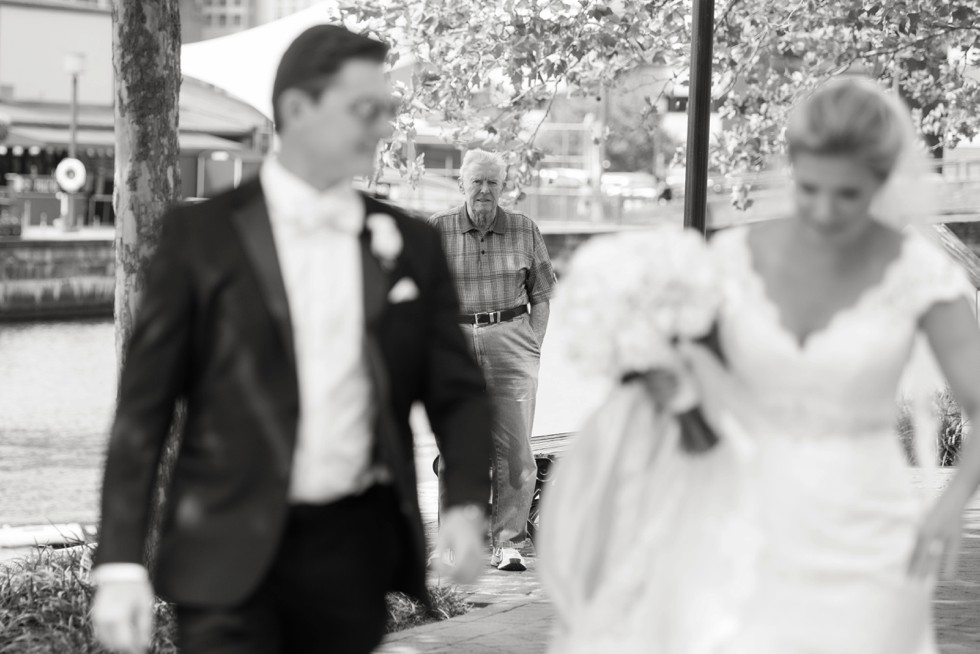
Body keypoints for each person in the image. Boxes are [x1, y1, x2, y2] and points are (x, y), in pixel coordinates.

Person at [541, 77, 980, 653]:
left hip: (870, 527)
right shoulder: (732, 261)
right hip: (740, 517)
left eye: (848, 195)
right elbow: (698, 378)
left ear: (883, 180)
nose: (825, 211)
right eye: (810, 188)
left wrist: (951, 504)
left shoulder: (920, 274)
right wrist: (660, 372)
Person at [90, 25, 491, 654]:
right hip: (225, 558)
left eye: (387, 109)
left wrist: (466, 503)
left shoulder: (411, 244)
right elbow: (144, 411)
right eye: (367, 108)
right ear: (299, 109)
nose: (384, 126)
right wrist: (119, 564)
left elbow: (458, 391)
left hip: (352, 559)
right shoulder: (200, 238)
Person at [429, 149, 557, 571]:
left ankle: (509, 542)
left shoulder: (523, 228)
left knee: (516, 448)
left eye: (493, 183)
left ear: (503, 187)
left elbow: (541, 297)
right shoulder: (439, 229)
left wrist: (531, 344)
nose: (485, 190)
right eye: (477, 181)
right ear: (462, 184)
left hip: (512, 336)